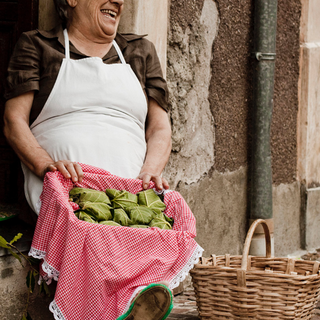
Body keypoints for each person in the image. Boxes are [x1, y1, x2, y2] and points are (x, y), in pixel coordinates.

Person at [3, 1, 202, 319]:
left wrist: (151, 170)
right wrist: (46, 164)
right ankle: (128, 304)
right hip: (67, 187)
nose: (118, 1)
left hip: (129, 191)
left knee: (161, 227)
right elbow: (14, 121)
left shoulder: (139, 51)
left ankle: (130, 302)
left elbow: (160, 126)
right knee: (91, 233)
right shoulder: (38, 46)